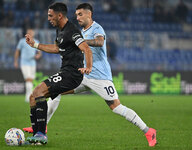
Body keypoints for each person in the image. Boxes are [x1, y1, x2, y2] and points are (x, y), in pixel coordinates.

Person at [24, 3, 157, 147]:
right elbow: (61, 47)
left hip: (100, 77)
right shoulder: (78, 31)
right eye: (76, 15)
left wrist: (77, 41)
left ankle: (148, 131)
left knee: (116, 108)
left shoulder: (96, 28)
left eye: (80, 14)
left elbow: (100, 42)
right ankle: (41, 128)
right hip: (82, 75)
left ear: (89, 14)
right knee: (55, 92)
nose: (78, 17)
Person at [25, 2, 93, 145]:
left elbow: (86, 48)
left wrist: (88, 67)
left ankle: (41, 134)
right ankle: (36, 138)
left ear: (59, 15)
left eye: (51, 15)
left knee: (38, 91)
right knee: (33, 97)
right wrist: (35, 45)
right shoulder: (60, 30)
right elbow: (57, 48)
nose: (48, 18)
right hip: (65, 71)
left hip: (72, 74)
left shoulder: (72, 31)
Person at [14, 28, 42, 103]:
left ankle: (29, 95)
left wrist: (38, 56)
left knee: (31, 80)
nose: (30, 34)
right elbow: (17, 51)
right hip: (24, 62)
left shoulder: (36, 41)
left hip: (32, 63)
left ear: (33, 34)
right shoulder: (22, 41)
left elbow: (39, 52)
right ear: (26, 34)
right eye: (28, 32)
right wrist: (16, 61)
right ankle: (28, 97)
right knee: (28, 79)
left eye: (31, 32)